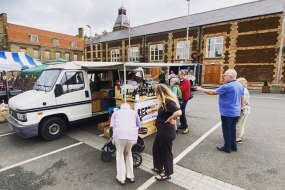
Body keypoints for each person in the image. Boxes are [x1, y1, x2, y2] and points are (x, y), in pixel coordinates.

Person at [195, 69, 244, 153]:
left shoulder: (228, 86)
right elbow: (242, 97)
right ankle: (233, 146)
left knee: (227, 130)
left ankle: (227, 147)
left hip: (227, 112)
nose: (223, 77)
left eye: (225, 75)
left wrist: (200, 89)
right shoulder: (239, 85)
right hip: (236, 111)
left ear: (231, 76)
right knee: (232, 129)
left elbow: (213, 92)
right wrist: (241, 107)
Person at [146, 84, 181, 181]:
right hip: (162, 131)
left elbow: (179, 112)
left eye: (156, 92)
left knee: (166, 152)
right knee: (156, 148)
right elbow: (158, 107)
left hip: (166, 132)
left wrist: (170, 118)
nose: (155, 94)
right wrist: (151, 110)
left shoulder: (168, 102)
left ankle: (167, 173)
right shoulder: (163, 101)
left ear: (159, 92)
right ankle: (159, 167)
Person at [110, 103, 141, 185]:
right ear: (129, 107)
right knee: (129, 153)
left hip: (119, 137)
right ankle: (130, 176)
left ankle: (121, 178)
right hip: (132, 138)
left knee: (119, 155)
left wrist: (113, 137)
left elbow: (112, 126)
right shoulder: (134, 113)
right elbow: (139, 125)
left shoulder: (115, 113)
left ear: (121, 107)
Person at [236, 77, 250, 143]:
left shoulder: (242, 90)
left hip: (242, 109)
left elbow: (242, 99)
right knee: (242, 123)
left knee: (238, 123)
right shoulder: (245, 89)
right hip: (246, 109)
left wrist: (241, 107)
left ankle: (238, 138)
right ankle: (240, 135)